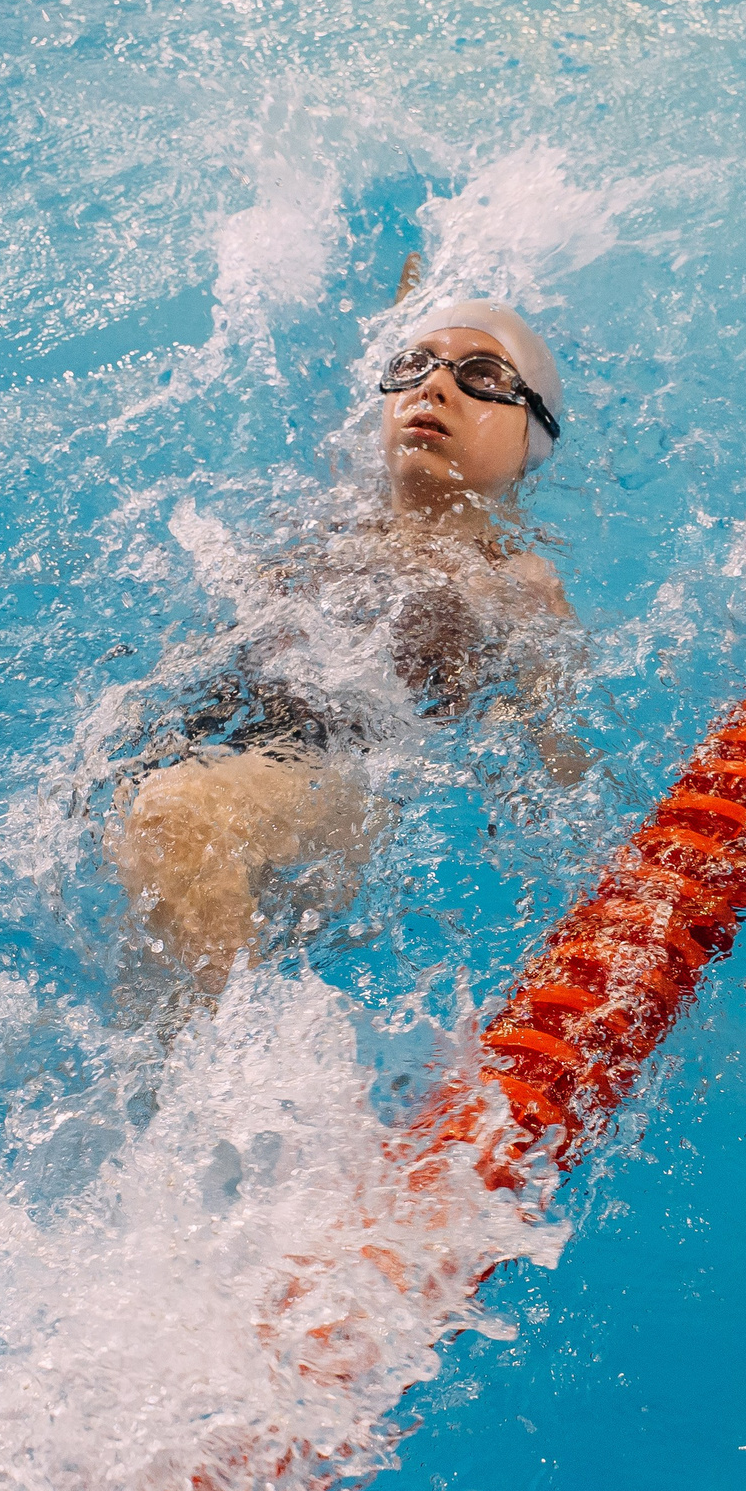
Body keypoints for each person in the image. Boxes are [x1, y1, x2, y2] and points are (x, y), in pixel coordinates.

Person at [109, 298, 586, 987]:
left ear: (530, 439)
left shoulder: (517, 579)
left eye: (481, 376)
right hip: (204, 751)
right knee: (161, 998)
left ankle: (251, 1068)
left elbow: (561, 759)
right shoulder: (333, 520)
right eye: (414, 366)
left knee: (176, 823)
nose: (435, 386)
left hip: (336, 783)